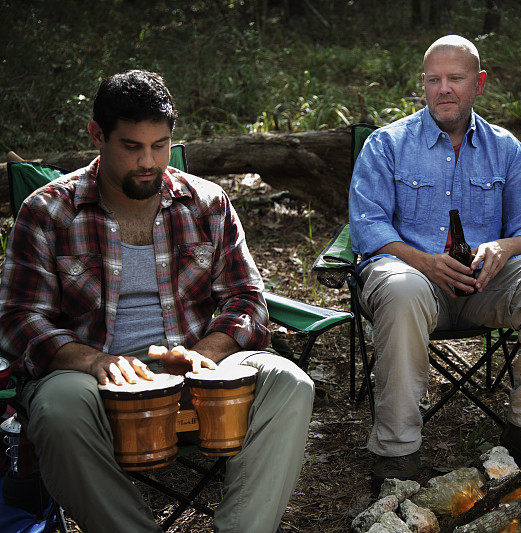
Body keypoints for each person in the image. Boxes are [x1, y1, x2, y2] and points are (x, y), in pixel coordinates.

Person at [0, 70, 314, 533]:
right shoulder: (49, 211)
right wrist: (91, 360)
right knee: (56, 409)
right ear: (97, 136)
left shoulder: (207, 203)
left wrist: (205, 353)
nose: (149, 161)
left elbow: (247, 298)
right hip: (91, 377)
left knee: (291, 383)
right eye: (132, 147)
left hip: (198, 366)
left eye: (161, 145)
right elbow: (18, 319)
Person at [349, 35, 521, 485]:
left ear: (478, 83)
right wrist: (423, 262)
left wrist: (504, 247)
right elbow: (368, 230)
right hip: (412, 282)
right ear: (423, 84)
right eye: (434, 80)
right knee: (400, 288)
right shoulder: (386, 145)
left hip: (484, 284)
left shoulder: (506, 148)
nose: (443, 89)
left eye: (455, 79)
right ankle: (397, 450)